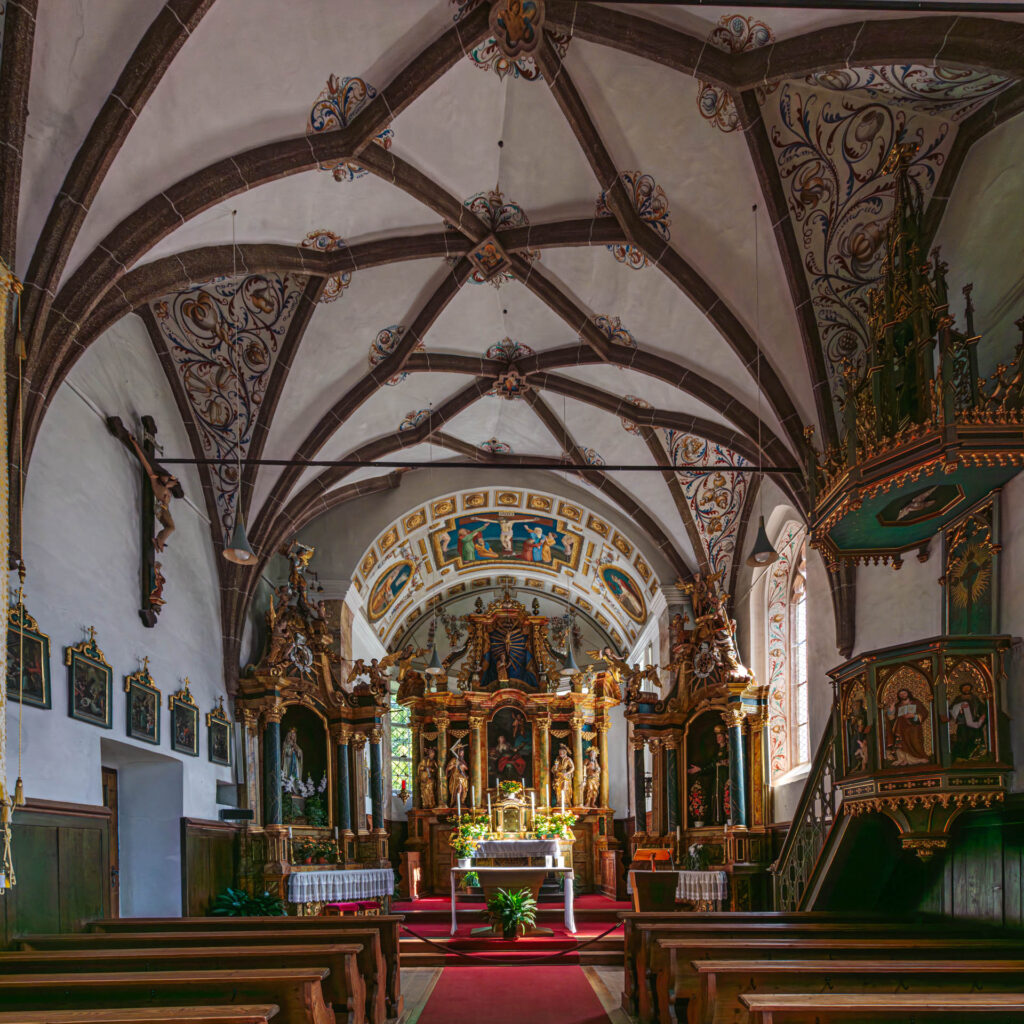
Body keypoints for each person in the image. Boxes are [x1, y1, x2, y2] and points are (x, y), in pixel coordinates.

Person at [129, 434, 179, 551]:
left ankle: (159, 541)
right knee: (171, 528)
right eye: (165, 477)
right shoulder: (154, 480)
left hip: (163, 508)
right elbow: (145, 461)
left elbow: (174, 483)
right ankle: (159, 541)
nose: (167, 479)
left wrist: (171, 482)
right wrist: (134, 443)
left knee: (169, 527)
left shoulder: (165, 486)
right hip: (161, 508)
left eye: (167, 478)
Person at [885, 687, 931, 765]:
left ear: (908, 693)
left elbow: (924, 713)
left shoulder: (916, 702)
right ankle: (903, 759)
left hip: (914, 728)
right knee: (901, 743)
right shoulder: (898, 705)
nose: (903, 695)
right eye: (901, 694)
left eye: (904, 693)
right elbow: (891, 719)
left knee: (916, 742)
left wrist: (914, 715)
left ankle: (919, 758)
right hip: (901, 728)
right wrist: (891, 710)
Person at [946, 681, 988, 761]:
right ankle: (962, 755)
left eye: (968, 688)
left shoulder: (974, 698)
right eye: (965, 688)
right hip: (962, 722)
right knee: (962, 738)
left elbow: (981, 707)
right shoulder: (958, 699)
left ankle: (971, 755)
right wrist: (958, 709)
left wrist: (983, 714)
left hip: (973, 721)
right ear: (961, 689)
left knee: (973, 738)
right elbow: (952, 709)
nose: (966, 690)